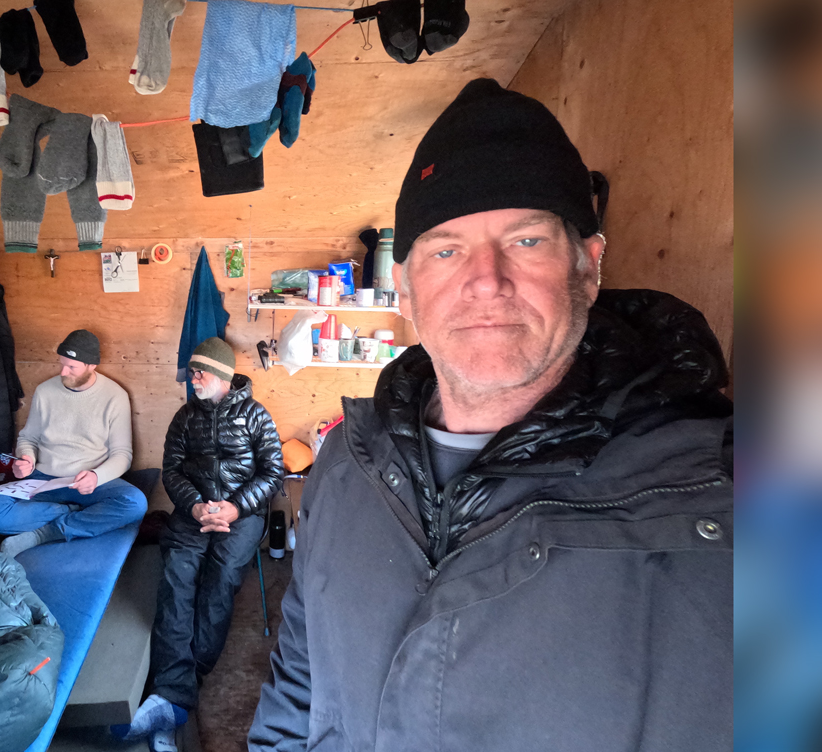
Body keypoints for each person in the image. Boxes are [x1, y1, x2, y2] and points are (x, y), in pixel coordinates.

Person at [248, 78, 733, 751]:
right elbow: (301, 673)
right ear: (408, 290)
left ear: (588, 267)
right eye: (446, 250)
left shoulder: (721, 500)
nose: (485, 281)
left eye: (526, 241)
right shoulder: (345, 465)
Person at [120, 338, 284, 751]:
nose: (192, 378)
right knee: (177, 578)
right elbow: (172, 471)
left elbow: (272, 473)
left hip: (241, 515)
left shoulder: (255, 416)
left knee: (222, 579)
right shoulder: (184, 417)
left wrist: (234, 508)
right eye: (192, 371)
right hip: (193, 513)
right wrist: (195, 508)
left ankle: (181, 686)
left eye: (199, 372)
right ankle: (173, 694)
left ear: (224, 377)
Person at [0, 329, 148, 557]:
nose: (63, 372)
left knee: (135, 503)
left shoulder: (114, 396)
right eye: (62, 364)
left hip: (89, 482)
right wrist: (27, 458)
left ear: (91, 365)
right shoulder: (45, 391)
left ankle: (45, 533)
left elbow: (122, 454)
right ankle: (73, 512)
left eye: (72, 367)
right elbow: (28, 438)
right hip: (43, 481)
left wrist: (97, 476)